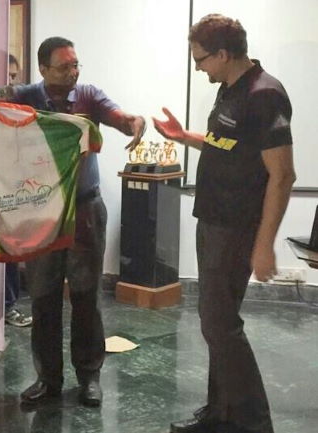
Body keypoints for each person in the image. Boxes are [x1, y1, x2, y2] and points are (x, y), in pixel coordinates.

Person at [0, 36, 146, 407]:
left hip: (84, 211)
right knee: (44, 298)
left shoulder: (89, 96)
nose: (73, 72)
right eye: (64, 66)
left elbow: (119, 117)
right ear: (43, 69)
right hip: (40, 212)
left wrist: (134, 122)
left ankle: (89, 377)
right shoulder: (23, 97)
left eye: (76, 64)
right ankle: (47, 379)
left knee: (86, 297)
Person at [153, 14, 295, 433]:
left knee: (220, 325)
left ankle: (254, 422)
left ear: (223, 53)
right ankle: (221, 413)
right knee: (216, 324)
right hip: (213, 220)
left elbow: (283, 175)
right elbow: (227, 143)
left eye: (200, 60)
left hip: (236, 226)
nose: (198, 68)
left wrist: (264, 244)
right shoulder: (230, 88)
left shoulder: (265, 94)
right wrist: (184, 136)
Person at [3, 53, 32, 328]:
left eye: (14, 76)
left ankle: (9, 305)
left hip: (14, 192)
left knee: (11, 252)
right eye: (7, 75)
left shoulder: (24, 106)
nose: (10, 81)